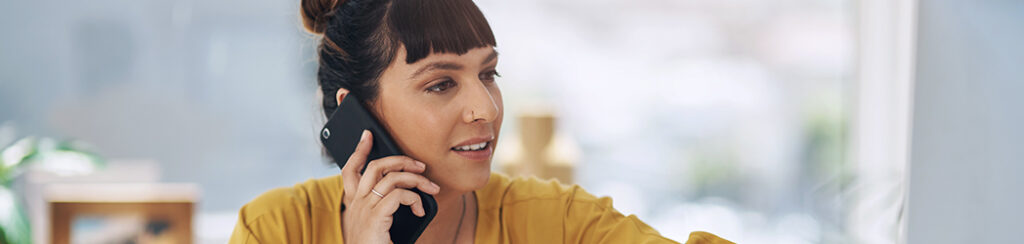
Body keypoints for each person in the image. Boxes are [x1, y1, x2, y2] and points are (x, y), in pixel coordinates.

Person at [229, 0, 732, 243]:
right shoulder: (275, 229)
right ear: (356, 112)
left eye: (488, 74)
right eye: (440, 84)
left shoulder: (557, 223)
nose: (487, 110)